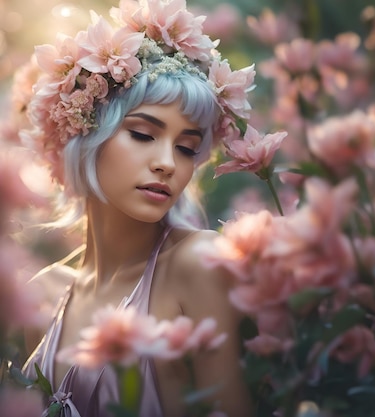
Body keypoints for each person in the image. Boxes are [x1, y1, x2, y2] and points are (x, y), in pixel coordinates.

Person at [16, 0, 255, 416]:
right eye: (143, 134)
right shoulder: (43, 293)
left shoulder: (195, 264)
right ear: (85, 134)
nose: (168, 162)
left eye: (186, 148)